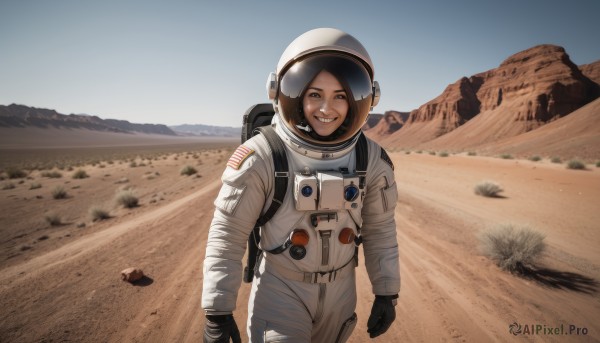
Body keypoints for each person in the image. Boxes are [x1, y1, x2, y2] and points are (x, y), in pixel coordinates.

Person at [202, 27, 400, 342]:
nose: (326, 109)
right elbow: (227, 235)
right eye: (314, 95)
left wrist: (387, 292)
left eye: (340, 96)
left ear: (363, 98)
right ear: (291, 95)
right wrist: (217, 310)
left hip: (341, 295)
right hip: (281, 293)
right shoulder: (263, 155)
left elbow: (380, 230)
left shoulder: (370, 157)